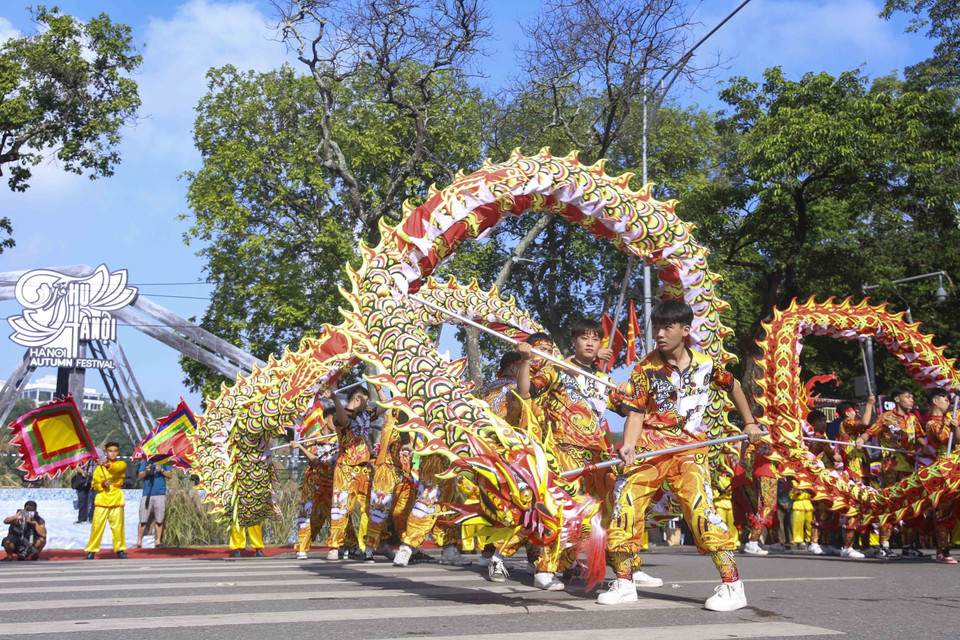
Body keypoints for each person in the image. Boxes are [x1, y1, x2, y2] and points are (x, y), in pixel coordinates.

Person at [600, 299, 763, 610]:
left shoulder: (706, 364)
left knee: (701, 511)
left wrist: (750, 421)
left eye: (667, 327)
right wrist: (629, 444)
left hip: (689, 450)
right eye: (656, 327)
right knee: (625, 504)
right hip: (649, 448)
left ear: (685, 330)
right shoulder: (644, 369)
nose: (660, 334)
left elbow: (735, 386)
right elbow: (634, 413)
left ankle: (732, 587)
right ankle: (624, 583)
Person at [516, 318, 635, 592]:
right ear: (574, 341)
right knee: (569, 515)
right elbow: (525, 393)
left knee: (610, 513)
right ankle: (546, 568)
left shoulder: (603, 380)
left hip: (599, 458)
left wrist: (626, 394)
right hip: (564, 454)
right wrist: (524, 361)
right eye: (584, 337)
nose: (590, 343)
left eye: (596, 338)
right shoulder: (557, 370)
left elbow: (633, 411)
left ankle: (624, 570)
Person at [856, 386, 920, 558]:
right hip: (891, 469)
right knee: (889, 506)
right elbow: (869, 433)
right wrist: (861, 439)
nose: (912, 400)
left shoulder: (913, 419)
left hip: (908, 468)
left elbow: (920, 437)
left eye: (912, 397)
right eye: (908, 397)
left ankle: (908, 546)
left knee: (908, 507)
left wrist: (930, 449)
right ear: (897, 399)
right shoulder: (886, 418)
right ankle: (883, 545)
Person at [326, 383, 385, 560]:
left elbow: (386, 404)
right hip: (345, 469)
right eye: (366, 401)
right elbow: (343, 422)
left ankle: (371, 545)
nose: (368, 405)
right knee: (341, 508)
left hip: (364, 469)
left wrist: (379, 386)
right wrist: (336, 398)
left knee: (370, 508)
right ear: (357, 399)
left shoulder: (366, 415)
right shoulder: (341, 415)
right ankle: (335, 546)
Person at [923, 388, 960, 563]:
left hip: (957, 467)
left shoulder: (952, 418)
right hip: (946, 470)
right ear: (935, 401)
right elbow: (948, 440)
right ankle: (942, 551)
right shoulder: (932, 424)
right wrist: (956, 428)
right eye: (945, 399)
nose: (948, 402)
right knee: (945, 511)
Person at [84, 443, 128, 559]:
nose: (113, 453)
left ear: (118, 452)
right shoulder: (99, 469)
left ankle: (120, 550)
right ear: (106, 453)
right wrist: (103, 484)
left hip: (116, 499)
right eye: (110, 451)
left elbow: (116, 469)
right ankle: (91, 551)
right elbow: (95, 484)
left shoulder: (122, 464)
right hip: (102, 500)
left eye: (115, 451)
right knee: (96, 527)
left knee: (118, 527)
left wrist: (105, 464)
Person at [136, 460, 172, 548]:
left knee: (159, 519)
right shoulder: (145, 461)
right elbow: (139, 477)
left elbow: (170, 475)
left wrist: (161, 470)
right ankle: (139, 542)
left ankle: (158, 541)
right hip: (147, 493)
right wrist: (146, 471)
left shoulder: (164, 460)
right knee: (143, 519)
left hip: (160, 493)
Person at [72, 457, 97, 524]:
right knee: (82, 499)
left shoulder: (98, 452)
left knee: (95, 499)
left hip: (96, 479)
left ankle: (92, 518)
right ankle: (82, 519)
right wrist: (82, 471)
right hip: (84, 479)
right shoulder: (81, 452)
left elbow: (103, 464)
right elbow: (75, 465)